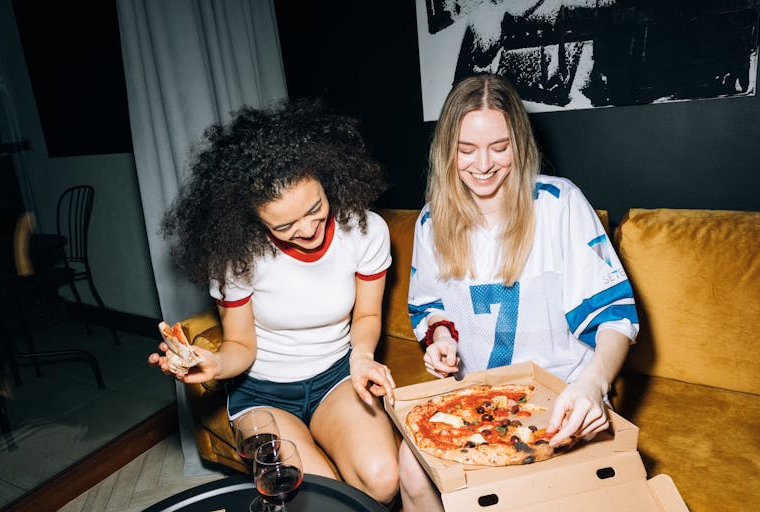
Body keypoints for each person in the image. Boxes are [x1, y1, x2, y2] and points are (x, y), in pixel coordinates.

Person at [399, 73, 639, 511]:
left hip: (563, 394)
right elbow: (430, 306)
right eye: (466, 149)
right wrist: (442, 338)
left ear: (520, 144)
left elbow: (614, 318)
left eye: (500, 146)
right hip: (477, 398)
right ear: (446, 149)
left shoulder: (560, 203)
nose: (483, 164)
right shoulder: (432, 220)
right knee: (411, 468)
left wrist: (593, 383)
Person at [148, 99, 399, 504]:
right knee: (319, 500)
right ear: (252, 217)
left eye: (315, 209)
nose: (308, 230)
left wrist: (363, 357)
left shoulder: (366, 230)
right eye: (284, 225)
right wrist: (214, 364)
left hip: (337, 378)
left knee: (384, 480)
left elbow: (368, 314)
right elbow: (240, 345)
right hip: (263, 394)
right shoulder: (238, 256)